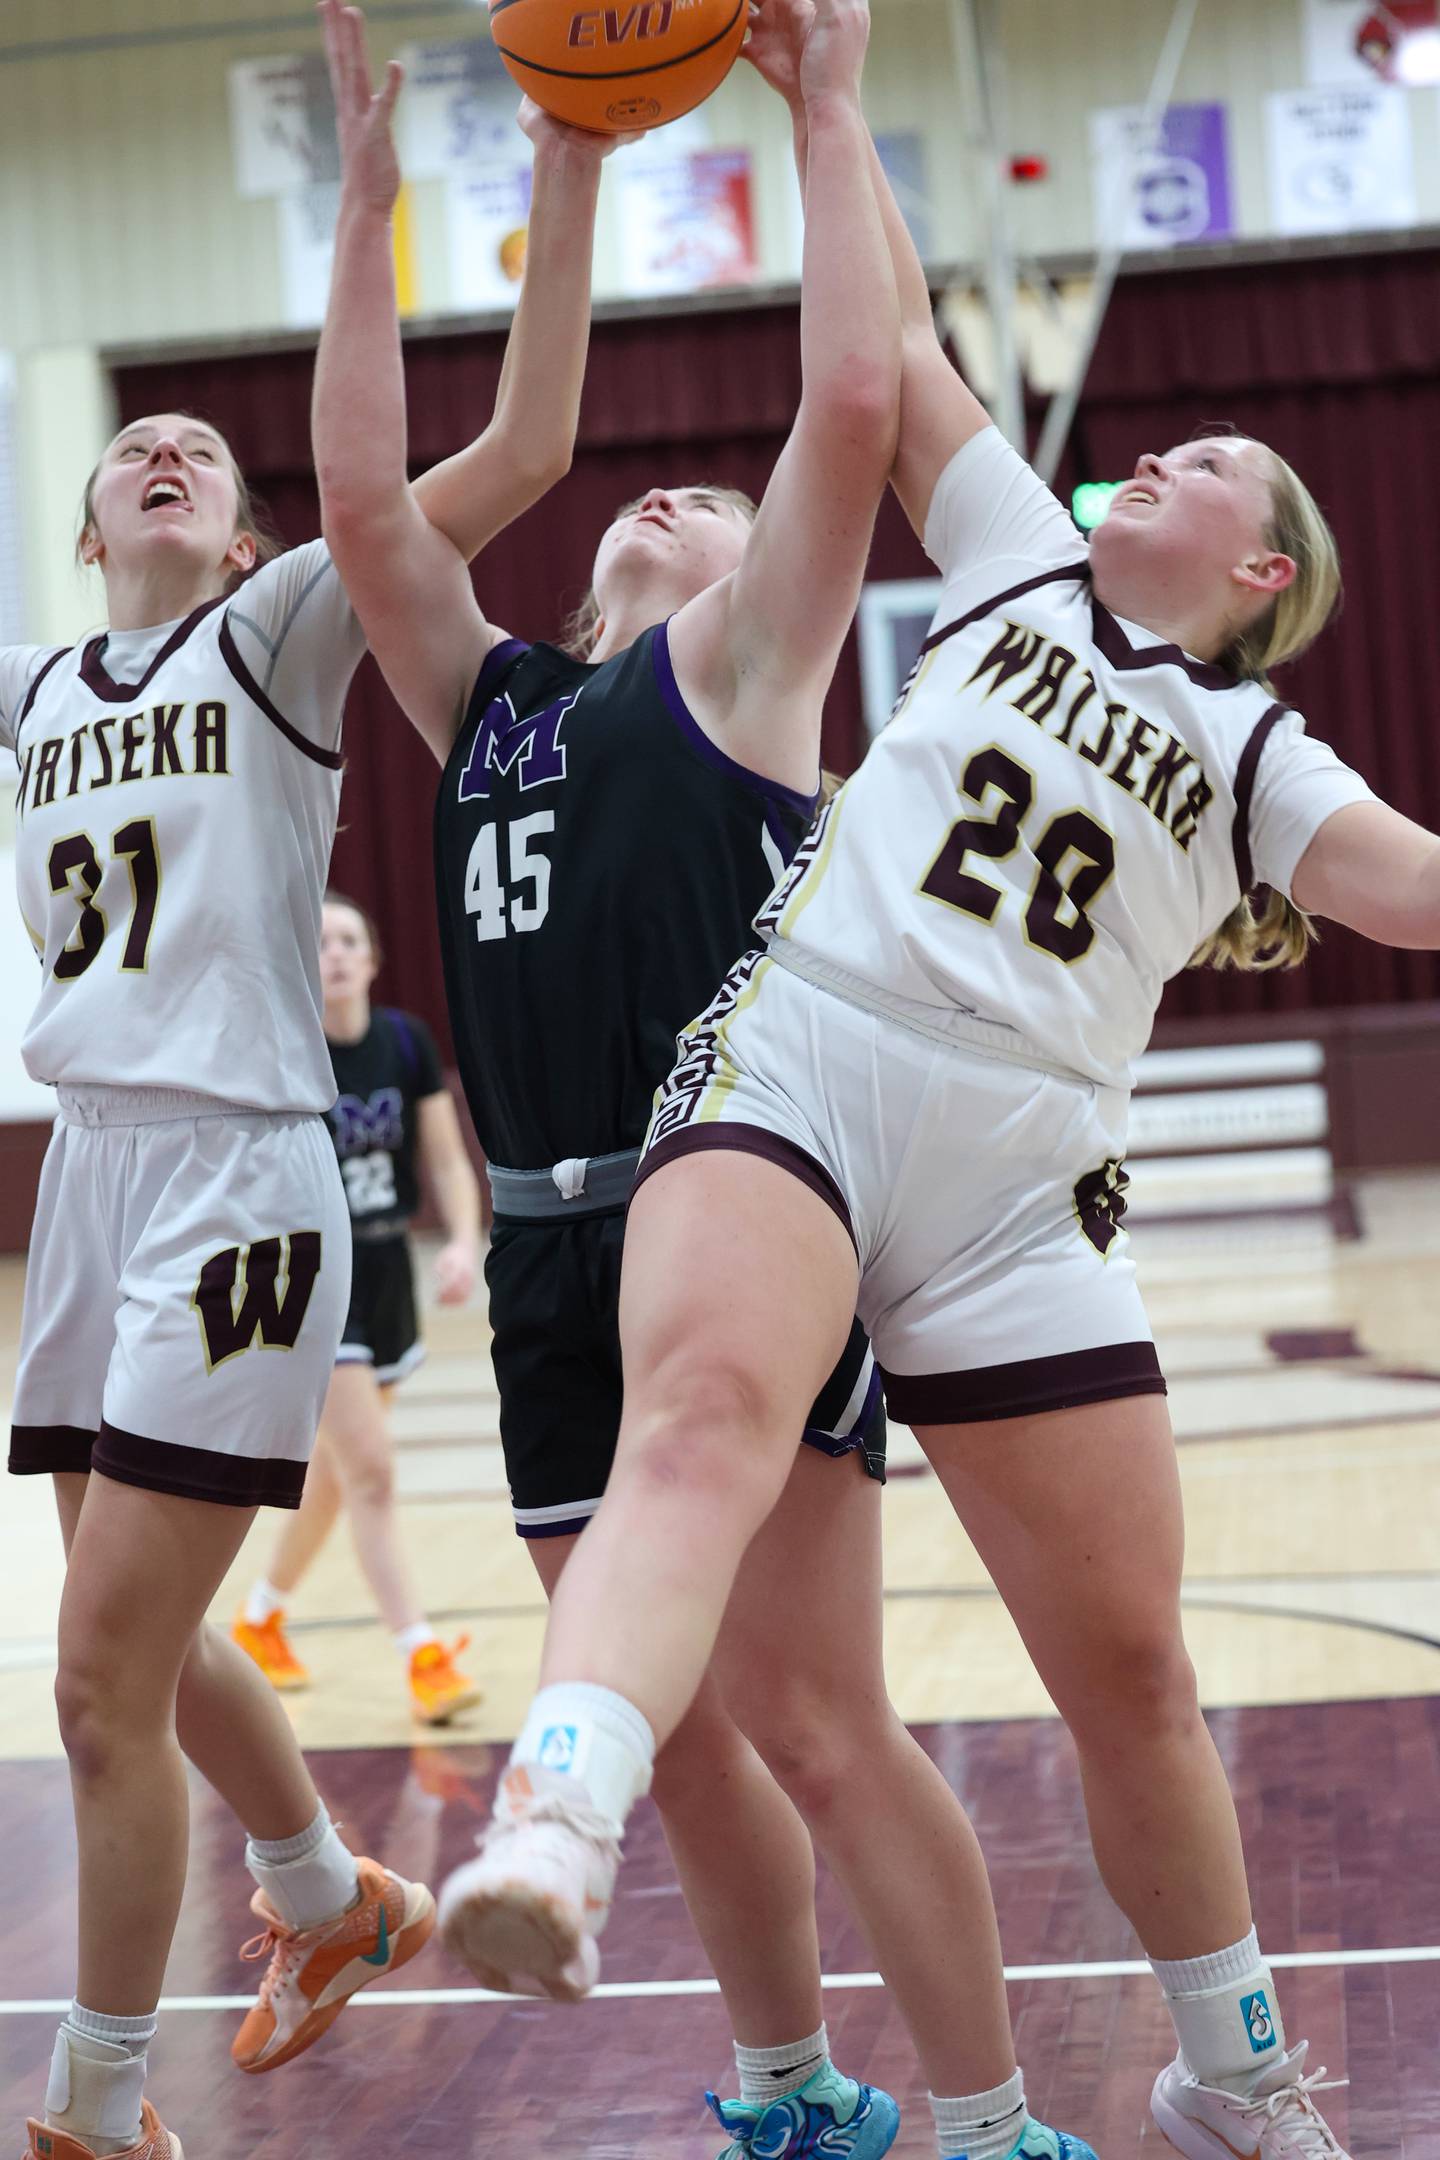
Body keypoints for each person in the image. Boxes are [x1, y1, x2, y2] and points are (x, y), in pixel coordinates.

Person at [448, 6, 1427, 2156]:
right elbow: (877, 358)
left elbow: (1423, 896)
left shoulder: (1266, 756)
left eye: (1207, 471)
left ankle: (1234, 2073)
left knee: (1135, 1678)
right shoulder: (1010, 558)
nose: (1149, 463)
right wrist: (824, 99)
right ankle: (554, 1816)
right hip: (810, 1052)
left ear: (1263, 576)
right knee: (694, 1424)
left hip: (1021, 1174)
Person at [311, 6, 1093, 2159]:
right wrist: (466, 174)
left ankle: (998, 2117)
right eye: (649, 489)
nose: (683, 486)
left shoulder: (749, 669)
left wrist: (831, 109)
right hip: (560, 1269)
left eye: (722, 491)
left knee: (821, 1722)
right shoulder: (493, 705)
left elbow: (856, 391)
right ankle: (786, 2091)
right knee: (697, 1741)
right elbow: (371, 500)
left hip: (735, 1222)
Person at [0, 33, 633, 2157]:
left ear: (247, 516)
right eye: (134, 447)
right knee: (150, 1651)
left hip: (246, 1185)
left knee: (95, 1676)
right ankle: (324, 1893)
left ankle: (96, 2107)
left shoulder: (277, 636)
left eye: (198, 443)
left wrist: (409, 185)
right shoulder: (30, 693)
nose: (165, 450)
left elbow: (528, 446)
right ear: (87, 520)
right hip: (84, 1177)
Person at [232, 891, 483, 1725]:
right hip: (314, 1280)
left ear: (373, 961)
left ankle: (262, 1617)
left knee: (340, 1479)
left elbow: (446, 1160)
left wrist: (461, 1238)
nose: (335, 952)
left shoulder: (405, 1043)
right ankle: (420, 1654)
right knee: (370, 1470)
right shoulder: (289, 1052)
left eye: (350, 939)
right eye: (322, 941)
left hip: (384, 1275)